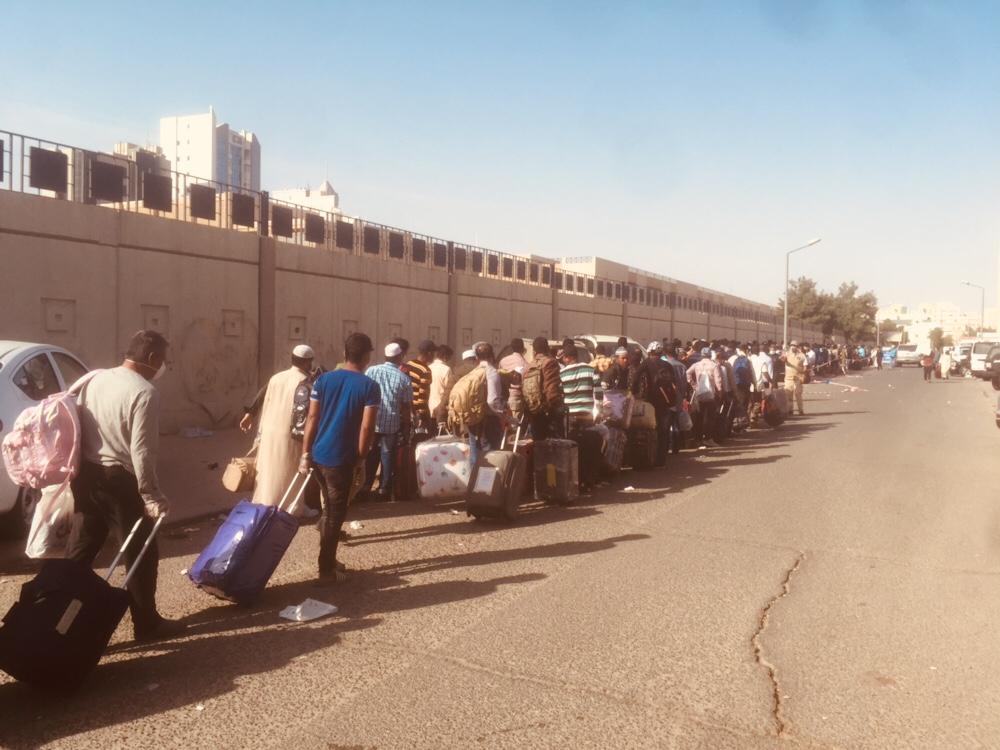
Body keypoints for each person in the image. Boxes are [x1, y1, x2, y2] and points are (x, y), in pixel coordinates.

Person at [67, 330, 182, 642]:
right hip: (120, 480)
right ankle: (147, 624)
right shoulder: (144, 392)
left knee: (81, 549)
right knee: (141, 550)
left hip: (87, 476)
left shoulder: (96, 379)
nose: (164, 366)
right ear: (153, 358)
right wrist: (151, 494)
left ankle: (54, 609)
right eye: (163, 360)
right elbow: (142, 450)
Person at [300, 333, 380, 583]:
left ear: (344, 354)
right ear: (367, 357)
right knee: (335, 514)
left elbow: (312, 418)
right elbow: (367, 428)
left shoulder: (323, 380)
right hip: (342, 459)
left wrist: (305, 453)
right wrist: (361, 457)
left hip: (319, 454)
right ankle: (326, 570)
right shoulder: (369, 386)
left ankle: (330, 559)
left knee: (328, 509)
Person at [242, 344, 317, 510]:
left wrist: (250, 414)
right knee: (289, 471)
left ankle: (265, 503)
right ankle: (292, 507)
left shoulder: (276, 377)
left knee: (269, 470)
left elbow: (262, 394)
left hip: (270, 430)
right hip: (290, 433)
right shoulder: (306, 382)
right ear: (308, 362)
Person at [362, 342, 413, 500]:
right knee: (387, 455)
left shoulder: (371, 371)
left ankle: (365, 486)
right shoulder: (404, 378)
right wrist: (407, 426)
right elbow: (406, 406)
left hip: (371, 421)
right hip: (391, 423)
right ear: (399, 357)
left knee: (370, 454)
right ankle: (384, 489)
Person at [559, 338, 604, 491]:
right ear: (576, 356)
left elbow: (560, 396)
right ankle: (589, 481)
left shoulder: (562, 373)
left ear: (566, 358)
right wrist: (598, 411)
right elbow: (598, 393)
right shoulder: (590, 369)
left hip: (570, 418)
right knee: (589, 448)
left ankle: (575, 480)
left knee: (573, 448)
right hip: (587, 416)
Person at [468, 342, 507, 466]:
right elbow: (492, 401)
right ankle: (488, 478)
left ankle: (474, 477)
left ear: (476, 357)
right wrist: (503, 415)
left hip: (473, 418)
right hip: (489, 420)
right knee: (491, 457)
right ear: (492, 355)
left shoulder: (474, 372)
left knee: (475, 455)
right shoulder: (492, 372)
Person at [686, 347, 723, 448]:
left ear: (702, 355)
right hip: (711, 394)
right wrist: (720, 392)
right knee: (710, 417)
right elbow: (718, 380)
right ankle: (708, 438)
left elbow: (687, 373)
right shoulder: (714, 365)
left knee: (699, 416)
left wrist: (694, 385)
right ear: (710, 355)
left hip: (699, 394)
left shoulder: (697, 365)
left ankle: (698, 439)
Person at [529, 337, 564, 440]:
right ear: (547, 348)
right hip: (548, 411)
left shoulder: (528, 366)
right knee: (557, 443)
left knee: (537, 443)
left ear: (534, 351)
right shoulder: (550, 362)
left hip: (533, 411)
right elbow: (551, 389)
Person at [404, 340, 436, 432]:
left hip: (407, 409)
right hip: (418, 412)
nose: (434, 356)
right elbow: (422, 397)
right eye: (433, 353)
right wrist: (422, 417)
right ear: (429, 353)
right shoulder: (425, 371)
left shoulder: (409, 364)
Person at [499, 338, 529, 426]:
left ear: (511, 348)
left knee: (505, 426)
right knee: (515, 426)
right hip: (516, 398)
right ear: (523, 348)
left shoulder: (503, 361)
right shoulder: (524, 364)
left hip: (503, 398)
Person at [428, 345, 455, 428]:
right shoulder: (446, 369)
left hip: (428, 406)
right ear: (445, 357)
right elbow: (449, 390)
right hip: (441, 407)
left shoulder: (429, 367)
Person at [784, 341, 807, 415]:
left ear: (797, 347)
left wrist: (803, 374)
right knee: (789, 395)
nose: (793, 347)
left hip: (798, 378)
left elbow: (805, 366)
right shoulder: (786, 354)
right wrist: (783, 359)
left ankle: (801, 410)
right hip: (788, 378)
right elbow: (782, 360)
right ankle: (790, 410)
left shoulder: (802, 355)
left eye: (794, 345)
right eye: (792, 345)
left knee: (798, 395)